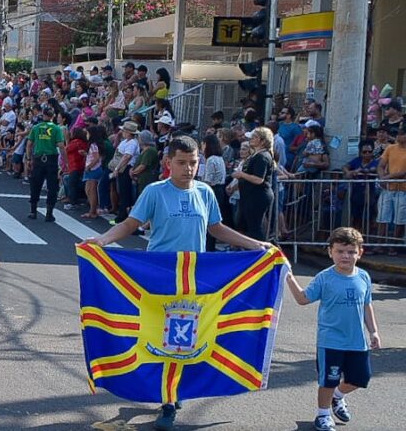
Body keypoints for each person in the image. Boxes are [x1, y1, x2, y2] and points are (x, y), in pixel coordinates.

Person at [82, 136, 272, 431]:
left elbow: (217, 229)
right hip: (158, 278)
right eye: (182, 163)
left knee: (188, 338)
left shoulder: (206, 192)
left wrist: (254, 244)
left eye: (193, 163)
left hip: (195, 280)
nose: (188, 168)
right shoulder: (155, 192)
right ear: (168, 163)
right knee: (159, 337)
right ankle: (165, 396)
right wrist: (103, 240)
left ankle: (173, 395)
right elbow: (131, 224)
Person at [282, 227, 380, 431]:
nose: (346, 256)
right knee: (328, 380)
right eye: (340, 251)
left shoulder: (363, 277)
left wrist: (374, 331)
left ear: (360, 253)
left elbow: (366, 305)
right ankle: (323, 415)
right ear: (330, 252)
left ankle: (338, 397)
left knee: (360, 379)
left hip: (357, 341)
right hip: (330, 341)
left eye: (351, 251)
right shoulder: (324, 278)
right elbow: (302, 299)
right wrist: (289, 277)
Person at [233, 127, 276, 241]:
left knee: (254, 228)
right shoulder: (255, 155)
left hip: (257, 196)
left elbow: (259, 179)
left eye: (255, 137)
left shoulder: (262, 156)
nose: (251, 139)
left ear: (262, 141)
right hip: (249, 195)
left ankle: (262, 253)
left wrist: (241, 174)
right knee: (243, 224)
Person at [27, 107, 64, 222]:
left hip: (38, 158)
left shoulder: (36, 127)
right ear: (53, 116)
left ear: (43, 115)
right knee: (52, 186)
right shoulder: (56, 129)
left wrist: (29, 159)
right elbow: (61, 146)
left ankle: (33, 211)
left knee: (35, 185)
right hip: (51, 159)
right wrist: (65, 162)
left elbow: (29, 144)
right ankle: (49, 213)